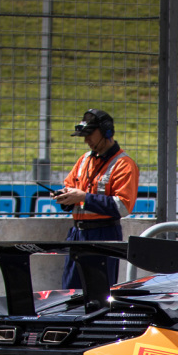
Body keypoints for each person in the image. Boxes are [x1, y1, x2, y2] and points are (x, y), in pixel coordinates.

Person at [54, 108, 139, 289]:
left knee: (99, 293)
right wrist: (64, 197)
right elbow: (71, 186)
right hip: (77, 235)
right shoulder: (84, 160)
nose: (86, 141)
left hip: (104, 236)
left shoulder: (124, 164)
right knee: (70, 293)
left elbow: (123, 207)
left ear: (107, 132)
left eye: (89, 135)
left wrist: (84, 198)